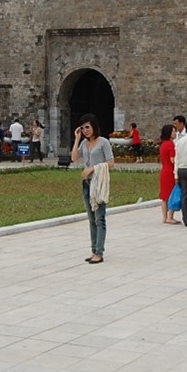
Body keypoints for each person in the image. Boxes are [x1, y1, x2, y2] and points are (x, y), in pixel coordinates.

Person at [72, 113, 114, 264]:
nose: (85, 130)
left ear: (94, 127)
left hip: (98, 183)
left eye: (87, 127)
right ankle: (93, 250)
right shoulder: (83, 144)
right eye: (82, 128)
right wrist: (77, 139)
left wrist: (93, 169)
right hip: (86, 185)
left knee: (99, 218)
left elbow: (111, 162)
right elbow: (74, 158)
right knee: (91, 219)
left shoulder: (103, 142)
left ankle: (99, 252)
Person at [158, 124, 178, 224]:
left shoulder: (163, 144)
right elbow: (173, 160)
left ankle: (164, 217)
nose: (175, 133)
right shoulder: (170, 144)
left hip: (164, 170)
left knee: (164, 196)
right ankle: (170, 216)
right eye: (173, 131)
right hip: (170, 171)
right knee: (172, 194)